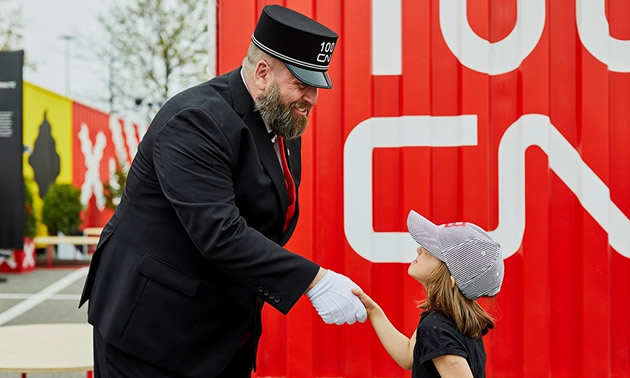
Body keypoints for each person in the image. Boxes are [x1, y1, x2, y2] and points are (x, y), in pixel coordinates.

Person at [79, 5, 366, 377]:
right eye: (301, 84)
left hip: (217, 334)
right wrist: (313, 280)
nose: (311, 99)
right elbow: (219, 231)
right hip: (151, 334)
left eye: (316, 87)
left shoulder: (281, 119)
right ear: (262, 72)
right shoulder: (196, 120)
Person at [353, 210, 504, 377]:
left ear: (450, 279)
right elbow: (408, 355)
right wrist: (374, 312)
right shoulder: (446, 320)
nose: (419, 249)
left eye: (431, 251)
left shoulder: (437, 327)